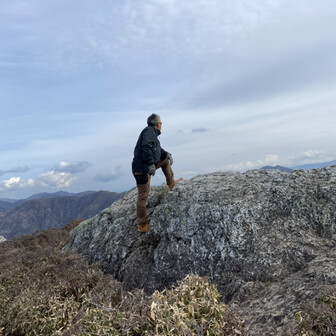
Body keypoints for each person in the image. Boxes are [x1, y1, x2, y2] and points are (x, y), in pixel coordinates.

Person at [132, 114, 183, 232]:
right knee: (143, 196)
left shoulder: (152, 134)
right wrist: (150, 164)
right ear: (158, 124)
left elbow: (157, 150)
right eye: (161, 123)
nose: (162, 125)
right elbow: (146, 147)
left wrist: (166, 154)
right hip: (141, 169)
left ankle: (171, 183)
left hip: (148, 166)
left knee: (165, 161)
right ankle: (142, 225)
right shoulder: (149, 132)